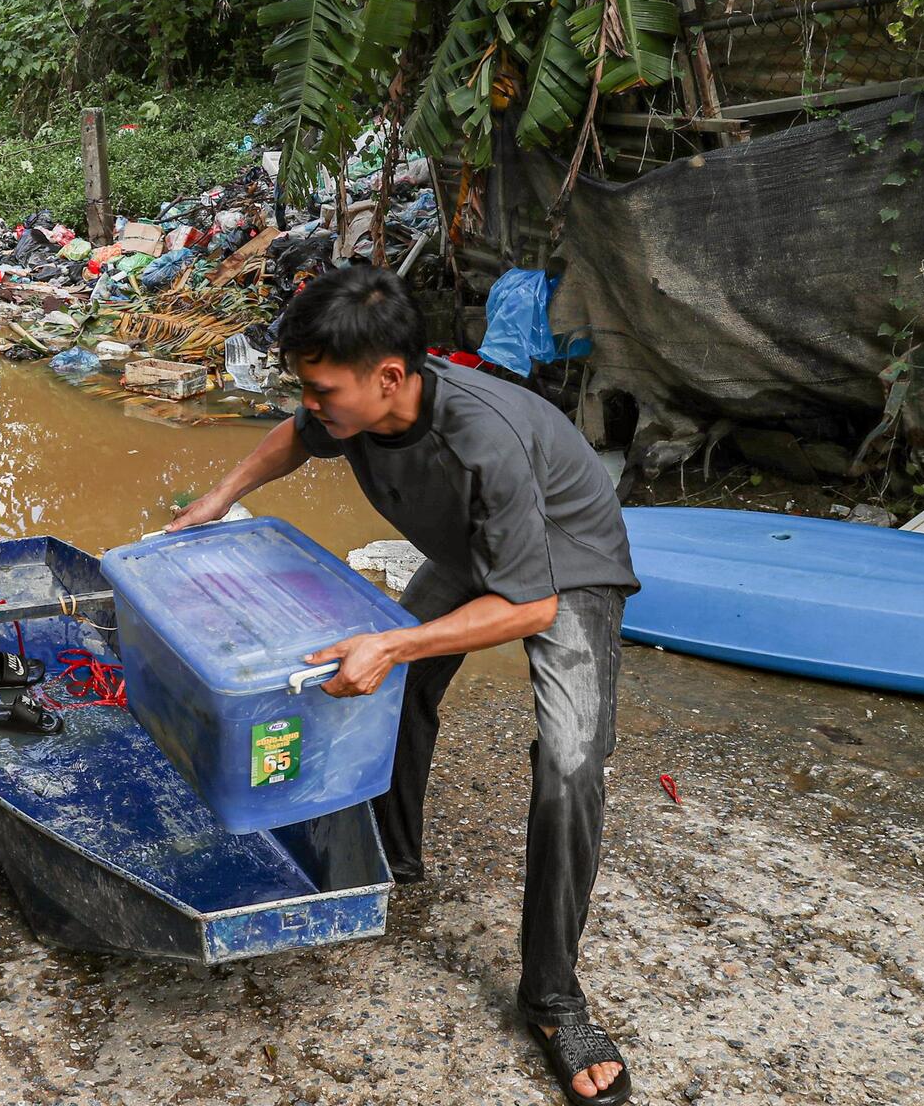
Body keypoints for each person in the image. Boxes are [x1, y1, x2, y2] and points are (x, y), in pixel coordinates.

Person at [167, 264, 638, 1106]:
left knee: (569, 761)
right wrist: (216, 499)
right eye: (304, 387)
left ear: (390, 377)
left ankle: (555, 999)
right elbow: (293, 437)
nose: (310, 404)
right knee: (405, 683)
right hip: (473, 550)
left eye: (320, 389)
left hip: (564, 567)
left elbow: (528, 606)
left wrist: (392, 640)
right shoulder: (351, 409)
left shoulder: (480, 439)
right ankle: (394, 857)